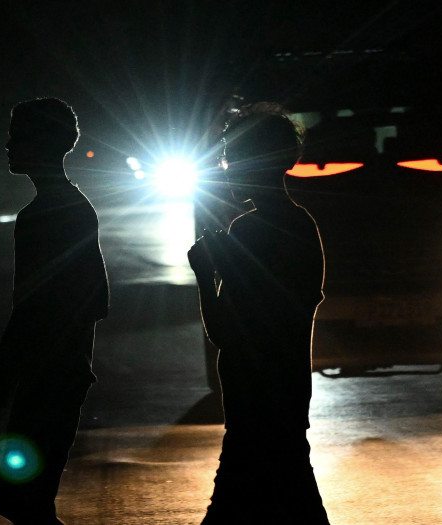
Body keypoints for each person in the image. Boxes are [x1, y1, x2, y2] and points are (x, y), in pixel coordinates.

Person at [188, 102, 330, 524]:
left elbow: (225, 332)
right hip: (288, 391)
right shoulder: (302, 225)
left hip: (253, 398)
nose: (226, 170)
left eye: (231, 159)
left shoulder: (248, 232)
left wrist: (205, 272)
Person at [0, 97, 109, 525]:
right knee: (26, 501)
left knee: (20, 502)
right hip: (62, 374)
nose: (8, 145)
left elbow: (28, 312)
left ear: (41, 142)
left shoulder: (41, 216)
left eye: (17, 136)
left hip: (48, 378)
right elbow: (96, 299)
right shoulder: (74, 207)